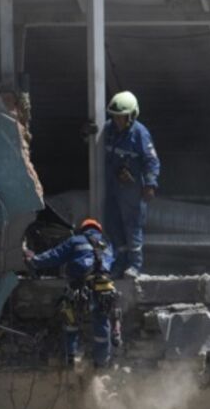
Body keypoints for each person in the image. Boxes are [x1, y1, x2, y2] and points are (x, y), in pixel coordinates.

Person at [25, 218, 118, 368]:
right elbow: (113, 262)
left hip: (79, 286)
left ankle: (71, 357)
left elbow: (54, 256)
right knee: (102, 323)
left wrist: (34, 260)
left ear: (83, 229)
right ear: (98, 230)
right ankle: (101, 361)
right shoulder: (107, 244)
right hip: (104, 288)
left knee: (70, 318)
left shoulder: (76, 240)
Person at [103, 90, 160, 278]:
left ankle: (135, 264)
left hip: (131, 189)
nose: (117, 121)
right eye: (115, 117)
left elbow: (151, 161)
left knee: (132, 225)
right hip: (112, 187)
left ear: (131, 116)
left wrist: (150, 184)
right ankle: (120, 262)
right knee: (113, 224)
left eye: (121, 118)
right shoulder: (108, 130)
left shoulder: (139, 134)